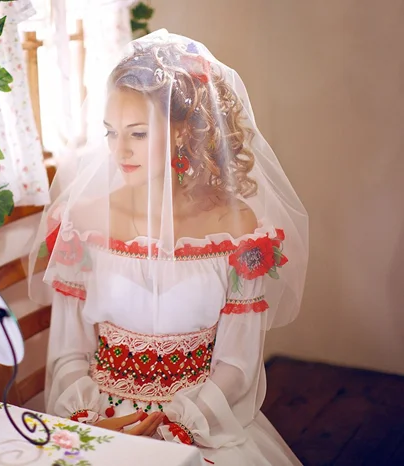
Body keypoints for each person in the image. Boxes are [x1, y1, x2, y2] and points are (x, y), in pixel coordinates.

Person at [28, 29, 308, 465]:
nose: (120, 150)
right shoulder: (81, 222)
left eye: (137, 134)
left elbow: (238, 364)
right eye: (111, 133)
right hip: (100, 421)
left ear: (181, 133)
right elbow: (67, 351)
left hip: (198, 422)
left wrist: (176, 425)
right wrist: (88, 420)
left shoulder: (238, 230)